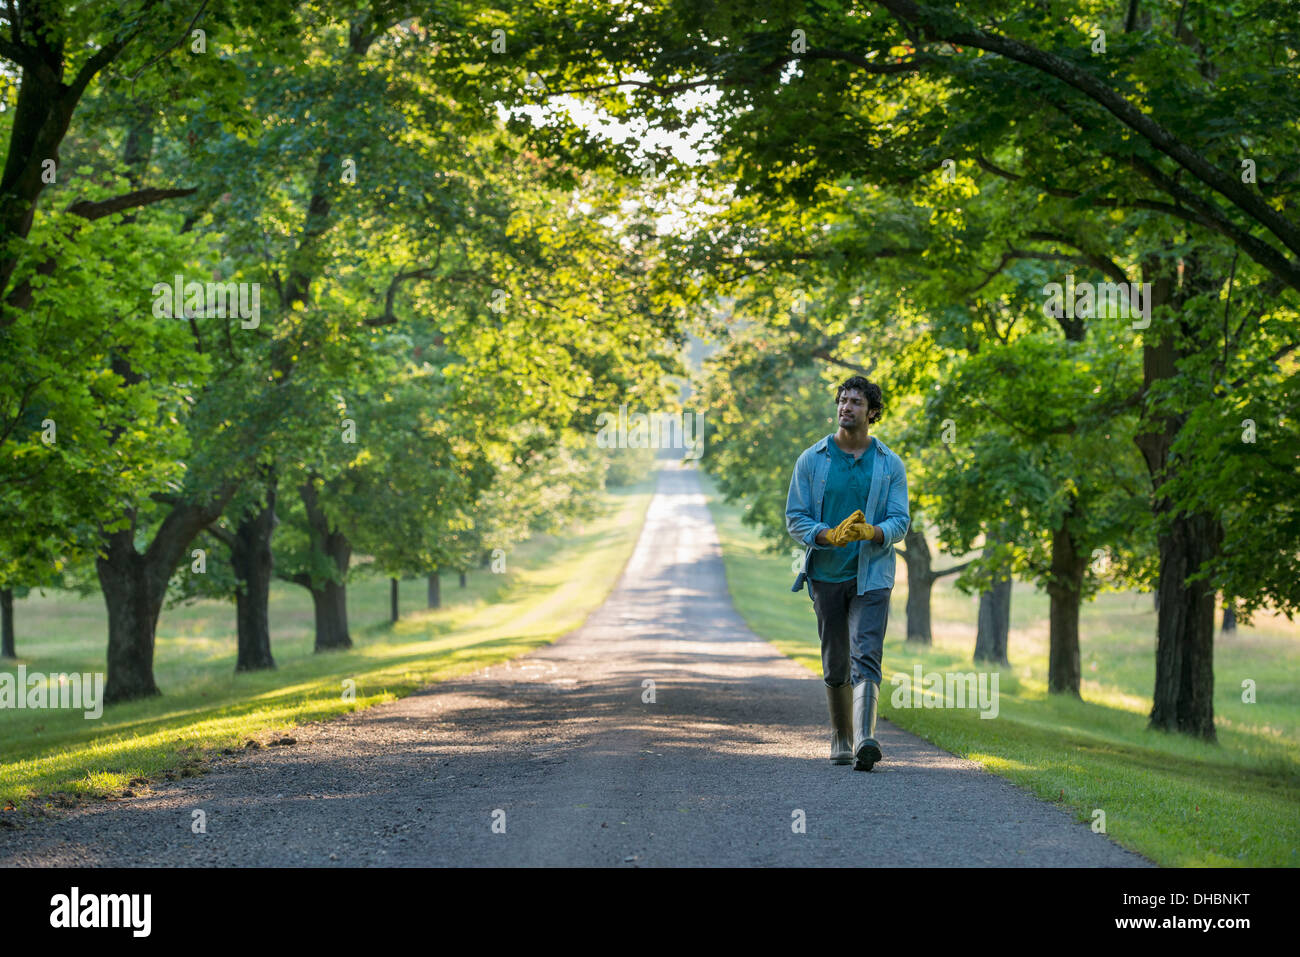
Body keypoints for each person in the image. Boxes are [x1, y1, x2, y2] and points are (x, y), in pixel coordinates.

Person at [784, 376, 911, 771]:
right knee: (836, 659)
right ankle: (841, 736)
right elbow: (795, 518)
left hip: (872, 574)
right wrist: (826, 534)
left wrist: (872, 532)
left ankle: (865, 741)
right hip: (826, 574)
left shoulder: (890, 464)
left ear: (872, 412)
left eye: (856, 402)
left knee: (867, 653)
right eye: (842, 400)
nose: (846, 407)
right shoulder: (812, 459)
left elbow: (900, 520)